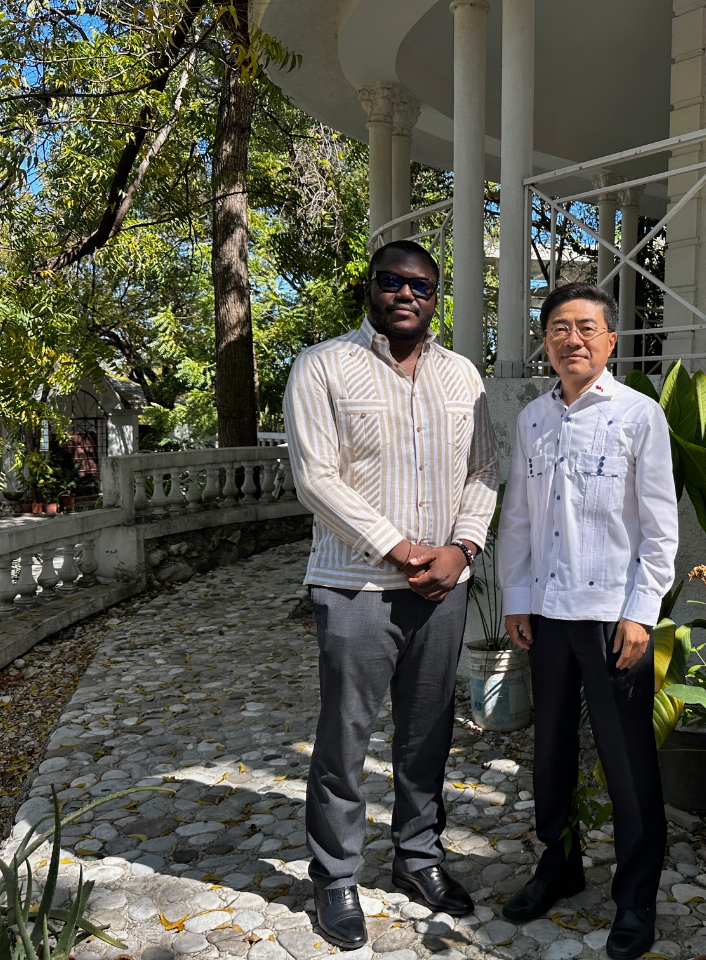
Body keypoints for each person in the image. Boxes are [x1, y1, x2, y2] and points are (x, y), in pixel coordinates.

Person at [283, 240, 499, 950]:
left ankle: (419, 858)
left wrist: (460, 549)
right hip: (355, 586)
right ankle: (336, 876)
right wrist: (403, 550)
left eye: (422, 286)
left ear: (437, 297)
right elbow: (317, 478)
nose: (407, 294)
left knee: (428, 731)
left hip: (444, 588)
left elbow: (486, 470)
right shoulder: (322, 367)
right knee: (346, 736)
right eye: (392, 281)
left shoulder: (465, 375)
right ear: (369, 288)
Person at [497, 282, 678, 960]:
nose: (571, 339)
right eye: (558, 328)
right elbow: (518, 517)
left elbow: (660, 530)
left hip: (612, 618)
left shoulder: (638, 415)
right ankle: (559, 864)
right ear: (545, 340)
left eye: (586, 328)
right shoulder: (532, 420)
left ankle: (635, 900)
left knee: (628, 767)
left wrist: (641, 613)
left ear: (608, 340)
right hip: (545, 615)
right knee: (550, 755)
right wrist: (515, 594)